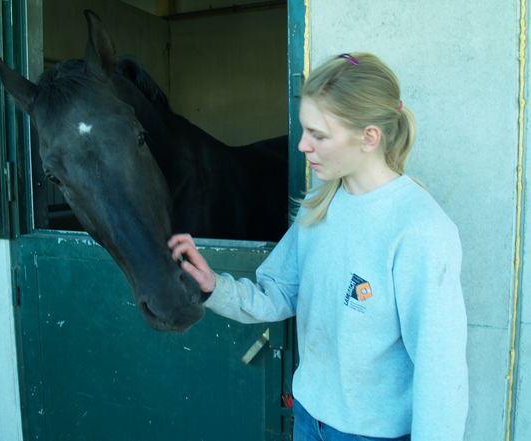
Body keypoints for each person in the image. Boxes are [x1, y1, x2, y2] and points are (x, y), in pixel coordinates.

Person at [168, 52, 468, 441]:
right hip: (309, 420)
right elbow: (277, 294)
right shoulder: (321, 206)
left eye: (319, 135)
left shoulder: (419, 230)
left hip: (370, 435)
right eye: (304, 130)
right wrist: (214, 286)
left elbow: (440, 370)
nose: (302, 146)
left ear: (369, 136)